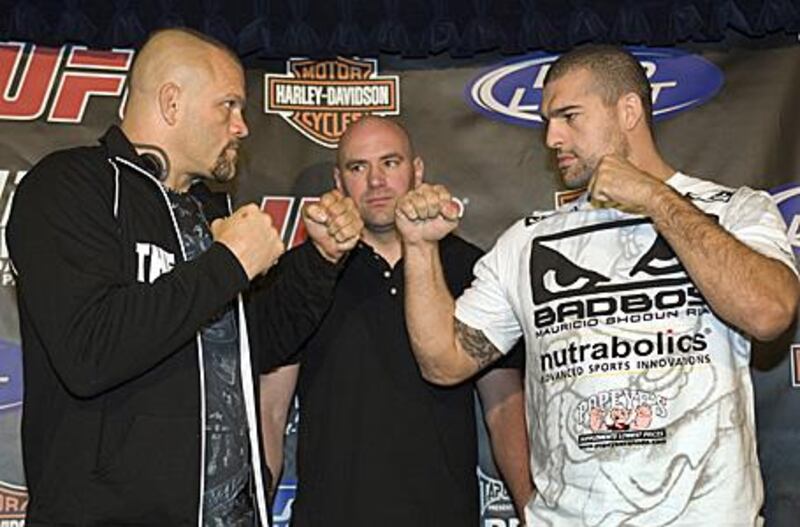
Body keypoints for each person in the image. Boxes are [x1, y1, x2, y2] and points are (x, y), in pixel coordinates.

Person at [395, 45, 800, 526]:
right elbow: (444, 362)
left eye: (569, 116)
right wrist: (419, 250)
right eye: (547, 120)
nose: (552, 137)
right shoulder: (527, 241)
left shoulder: (734, 211)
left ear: (628, 110)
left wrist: (655, 198)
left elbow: (770, 312)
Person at [7, 29, 362, 526]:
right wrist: (228, 264)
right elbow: (88, 350)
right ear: (172, 102)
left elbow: (259, 344)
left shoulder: (208, 213)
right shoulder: (69, 186)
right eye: (229, 106)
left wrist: (321, 259)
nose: (241, 127)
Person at [259, 116, 533, 526]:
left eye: (390, 163)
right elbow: (272, 410)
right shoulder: (304, 272)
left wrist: (530, 509)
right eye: (358, 167)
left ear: (417, 170)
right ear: (339, 181)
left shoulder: (468, 268)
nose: (376, 182)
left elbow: (503, 405)